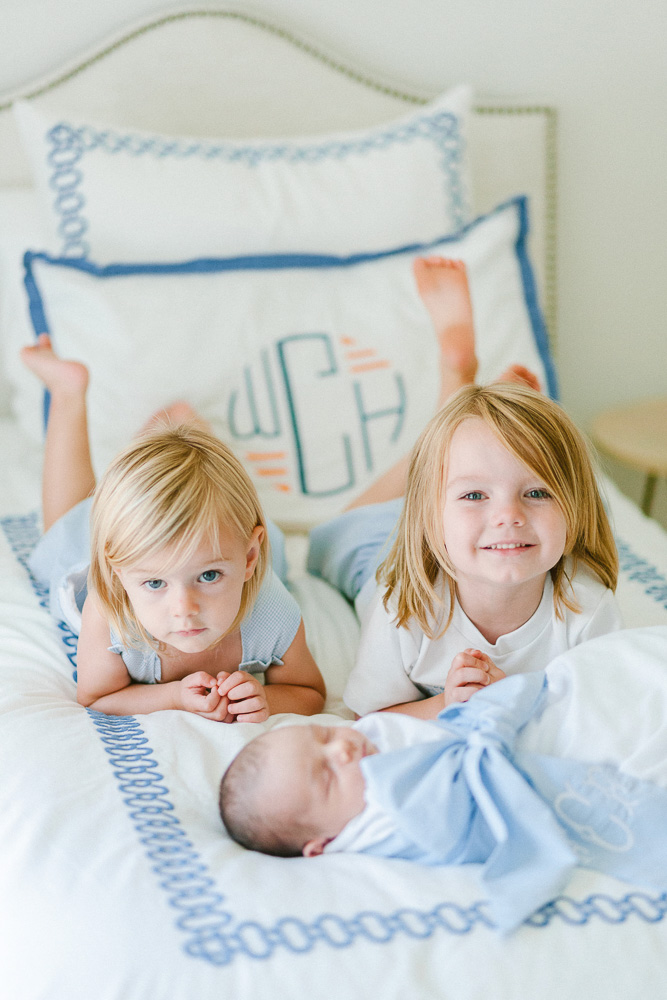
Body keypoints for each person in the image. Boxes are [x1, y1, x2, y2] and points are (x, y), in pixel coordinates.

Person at [308, 258, 621, 718]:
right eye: (477, 495)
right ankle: (461, 391)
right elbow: (370, 717)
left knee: (454, 461)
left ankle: (477, 418)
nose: (508, 515)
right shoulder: (403, 607)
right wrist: (446, 704)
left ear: (575, 506)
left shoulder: (588, 605)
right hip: (383, 551)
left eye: (536, 492)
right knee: (328, 535)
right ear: (429, 514)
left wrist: (511, 696)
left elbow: (602, 710)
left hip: (451, 527)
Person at [218, 667, 667, 933]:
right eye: (327, 775)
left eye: (324, 734)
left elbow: (424, 727)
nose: (343, 748)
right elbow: (447, 825)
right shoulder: (381, 827)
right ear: (322, 844)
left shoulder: (372, 738)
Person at [21, 335, 326, 721]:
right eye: (155, 584)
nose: (185, 609)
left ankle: (183, 434)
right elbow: (98, 697)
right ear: (117, 572)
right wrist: (174, 697)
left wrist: (269, 700)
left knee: (215, 497)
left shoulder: (271, 611)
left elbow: (310, 692)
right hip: (122, 546)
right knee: (72, 519)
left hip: (210, 538)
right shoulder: (110, 613)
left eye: (209, 575)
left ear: (250, 558)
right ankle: (67, 392)